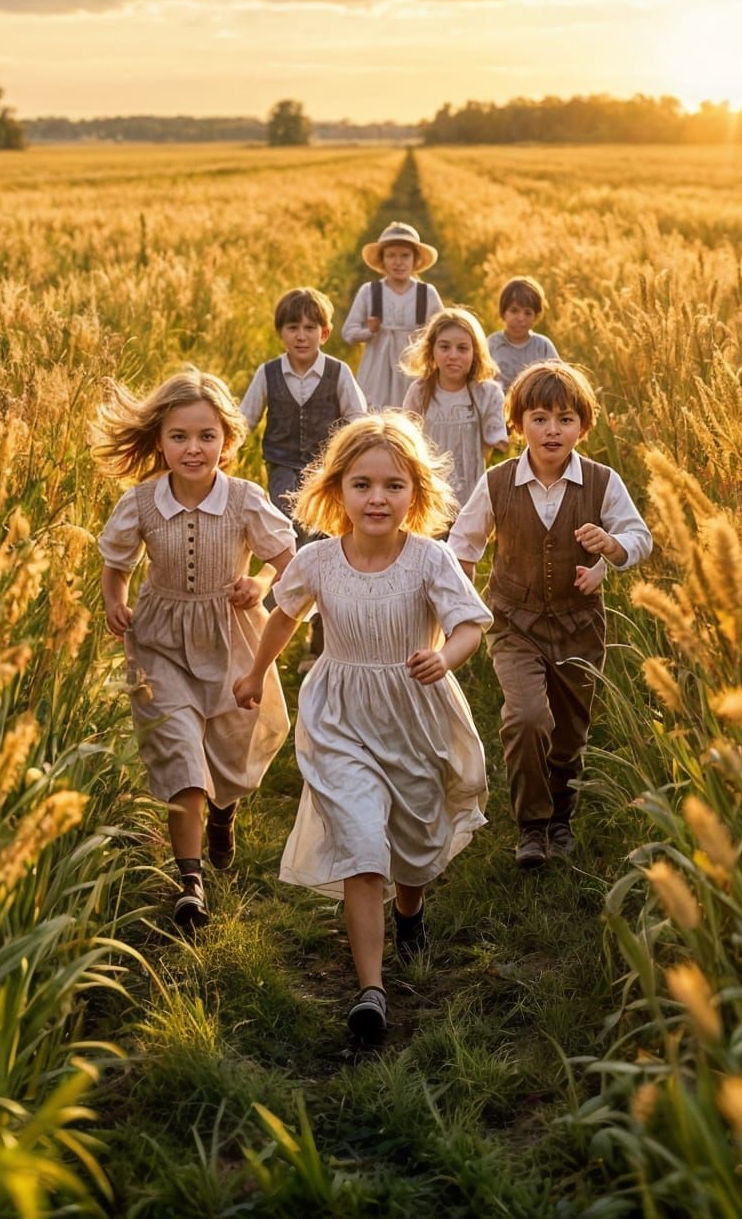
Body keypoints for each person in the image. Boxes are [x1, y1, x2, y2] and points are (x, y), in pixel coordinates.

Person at [233, 413, 491, 1045]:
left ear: (416, 494)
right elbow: (284, 616)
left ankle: (412, 912)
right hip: (340, 714)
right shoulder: (319, 560)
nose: (378, 498)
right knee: (363, 847)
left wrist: (445, 657)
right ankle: (370, 990)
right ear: (337, 490)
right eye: (363, 484)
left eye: (393, 486)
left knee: (413, 841)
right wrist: (254, 673)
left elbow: (469, 625)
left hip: (414, 712)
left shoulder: (430, 559)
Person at [93, 366, 296, 932]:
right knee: (183, 755)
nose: (193, 448)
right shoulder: (140, 503)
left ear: (227, 442)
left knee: (228, 748)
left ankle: (223, 813)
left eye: (206, 436)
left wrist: (259, 583)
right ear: (158, 441)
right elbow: (116, 564)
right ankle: (190, 882)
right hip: (159, 640)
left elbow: (287, 562)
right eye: (179, 436)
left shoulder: (244, 500)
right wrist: (116, 599)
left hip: (231, 634)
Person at [447, 361, 652, 870]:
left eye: (565, 419)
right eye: (539, 418)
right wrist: (461, 606)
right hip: (515, 624)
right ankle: (533, 826)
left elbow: (639, 537)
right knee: (527, 718)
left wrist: (611, 550)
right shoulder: (497, 483)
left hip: (579, 626)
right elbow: (462, 546)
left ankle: (562, 813)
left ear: (584, 425)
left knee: (568, 734)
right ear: (517, 425)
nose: (552, 430)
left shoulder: (602, 482)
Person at [239, 286, 368, 669]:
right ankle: (263, 635)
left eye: (310, 327)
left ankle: (321, 644)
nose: (301, 335)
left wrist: (355, 461)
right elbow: (244, 420)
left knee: (329, 548)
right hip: (282, 471)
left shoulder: (337, 372)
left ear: (324, 333)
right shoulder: (268, 374)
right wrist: (223, 448)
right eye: (293, 327)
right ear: (281, 332)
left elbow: (357, 419)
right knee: (283, 546)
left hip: (326, 475)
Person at [401, 305, 509, 510]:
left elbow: (500, 444)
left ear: (475, 353)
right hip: (429, 498)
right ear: (431, 350)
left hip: (472, 499)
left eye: (462, 348)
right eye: (444, 347)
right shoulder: (420, 391)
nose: (453, 355)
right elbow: (405, 443)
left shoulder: (487, 393)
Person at [341, 221, 443, 410]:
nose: (398, 262)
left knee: (413, 412)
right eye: (391, 256)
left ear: (415, 259)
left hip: (413, 367)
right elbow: (348, 332)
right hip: (377, 369)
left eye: (405, 256)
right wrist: (368, 331)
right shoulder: (370, 291)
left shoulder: (426, 293)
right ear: (382, 260)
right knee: (375, 414)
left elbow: (442, 331)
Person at [486, 276, 560, 391]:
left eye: (528, 313)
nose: (521, 318)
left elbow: (558, 380)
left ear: (536, 316)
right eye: (514, 310)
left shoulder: (542, 346)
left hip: (534, 406)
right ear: (503, 312)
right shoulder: (492, 344)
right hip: (499, 406)